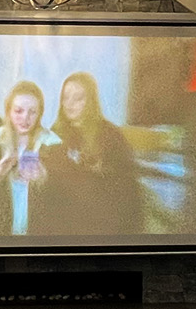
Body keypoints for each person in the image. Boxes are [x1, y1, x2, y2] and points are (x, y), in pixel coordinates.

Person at [39, 72, 139, 236]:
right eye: (65, 98)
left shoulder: (111, 136)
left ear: (90, 100)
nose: (69, 104)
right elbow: (48, 192)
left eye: (78, 98)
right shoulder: (53, 137)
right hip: (64, 229)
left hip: (105, 228)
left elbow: (127, 189)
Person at [0, 81, 61, 235]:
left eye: (32, 112)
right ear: (8, 111)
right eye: (19, 111)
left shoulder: (52, 144)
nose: (25, 118)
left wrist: (44, 180)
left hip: (39, 239)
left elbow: (64, 203)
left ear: (40, 114)